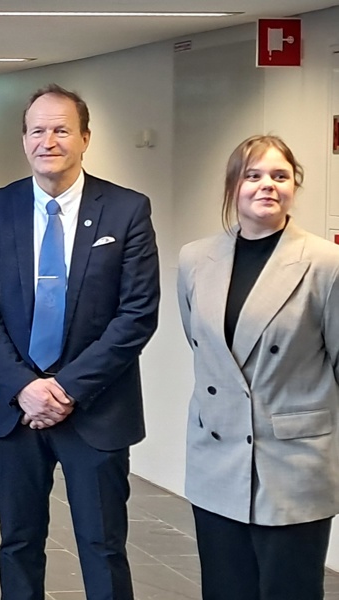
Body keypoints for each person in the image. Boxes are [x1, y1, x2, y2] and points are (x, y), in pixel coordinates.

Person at [0, 84, 160, 600]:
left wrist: (67, 388)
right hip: (16, 410)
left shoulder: (126, 210)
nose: (47, 141)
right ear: (24, 139)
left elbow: (137, 315)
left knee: (103, 546)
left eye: (61, 130)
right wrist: (24, 386)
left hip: (97, 407)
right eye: (37, 130)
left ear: (85, 138)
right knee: (18, 543)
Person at [178, 135, 339, 600]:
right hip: (216, 455)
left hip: (293, 463)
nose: (267, 185)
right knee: (225, 589)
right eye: (253, 175)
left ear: (294, 187)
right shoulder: (195, 259)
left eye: (279, 176)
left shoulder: (326, 264)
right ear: (233, 186)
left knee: (290, 590)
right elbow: (202, 344)